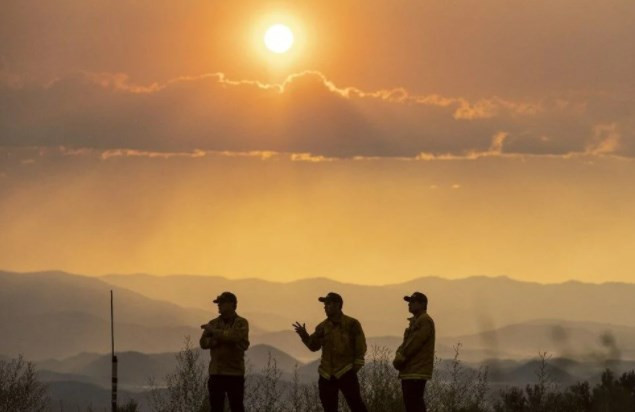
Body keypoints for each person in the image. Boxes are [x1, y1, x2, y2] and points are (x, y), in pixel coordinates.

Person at [293, 292, 368, 412]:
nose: (325, 307)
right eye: (325, 304)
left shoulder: (352, 324)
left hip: (346, 371)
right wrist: (304, 335)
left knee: (356, 405)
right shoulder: (322, 327)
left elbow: (361, 347)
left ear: (338, 305)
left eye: (328, 303)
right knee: (329, 408)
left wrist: (354, 369)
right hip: (326, 374)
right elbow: (313, 346)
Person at [200, 291, 249, 412]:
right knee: (216, 408)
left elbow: (234, 337)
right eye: (218, 303)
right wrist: (217, 341)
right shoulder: (213, 323)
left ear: (232, 304)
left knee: (236, 407)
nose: (219, 305)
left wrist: (215, 333)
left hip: (235, 374)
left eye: (222, 302)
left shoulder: (241, 322)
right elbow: (203, 343)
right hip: (216, 373)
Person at [393, 292, 435, 412]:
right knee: (411, 404)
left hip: (417, 371)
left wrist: (401, 357)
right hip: (410, 370)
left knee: (414, 404)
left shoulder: (425, 321)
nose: (409, 304)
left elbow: (415, 343)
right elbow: (407, 343)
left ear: (422, 304)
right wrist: (399, 353)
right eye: (409, 302)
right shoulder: (417, 321)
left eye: (413, 302)